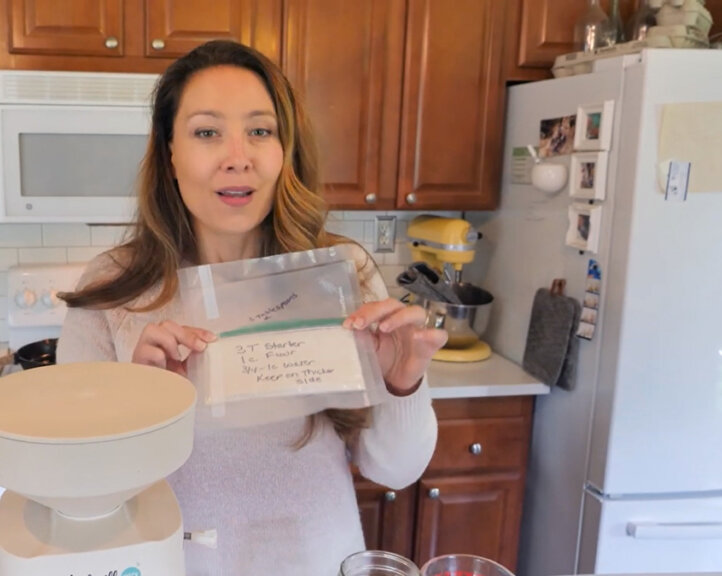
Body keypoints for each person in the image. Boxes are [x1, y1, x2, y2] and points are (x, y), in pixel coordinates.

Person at [57, 40, 447, 576]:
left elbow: (396, 471)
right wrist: (139, 406)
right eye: (207, 132)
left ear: (284, 151)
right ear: (169, 153)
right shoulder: (113, 291)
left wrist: (403, 383)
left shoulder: (341, 274)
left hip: (318, 559)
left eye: (260, 130)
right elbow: (73, 492)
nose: (237, 156)